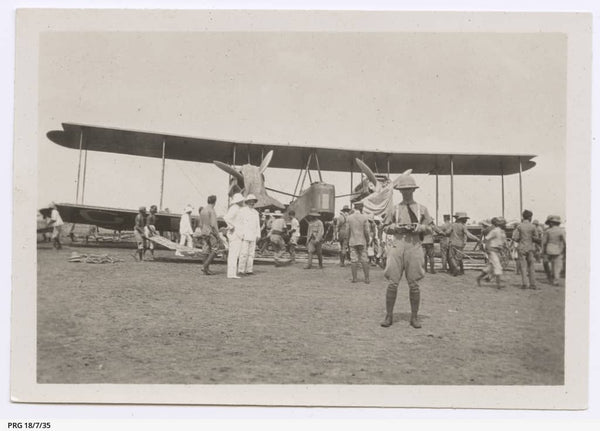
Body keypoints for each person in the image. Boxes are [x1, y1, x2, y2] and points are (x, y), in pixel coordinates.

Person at [380, 171, 432, 329]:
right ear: (399, 191)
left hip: (414, 245)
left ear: (414, 190)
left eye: (408, 189)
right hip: (397, 244)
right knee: (392, 283)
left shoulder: (422, 209)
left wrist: (419, 227)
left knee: (414, 283)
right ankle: (389, 316)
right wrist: (395, 227)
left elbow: (430, 228)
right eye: (403, 190)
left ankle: (414, 317)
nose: (406, 192)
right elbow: (384, 227)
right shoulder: (394, 209)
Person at [444, 212, 480, 276]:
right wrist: (476, 238)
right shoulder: (463, 226)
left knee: (451, 257)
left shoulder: (453, 225)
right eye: (465, 219)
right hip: (460, 245)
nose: (466, 220)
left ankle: (455, 269)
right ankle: (457, 269)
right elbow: (468, 234)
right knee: (458, 258)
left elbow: (447, 232)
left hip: (452, 243)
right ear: (462, 219)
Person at [512, 210, 540, 289]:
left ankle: (524, 284)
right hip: (530, 248)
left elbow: (515, 238)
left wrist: (521, 239)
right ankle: (533, 284)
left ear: (523, 217)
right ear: (530, 217)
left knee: (523, 266)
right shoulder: (533, 226)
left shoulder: (519, 226)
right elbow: (536, 238)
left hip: (521, 248)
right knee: (531, 266)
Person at [477, 217, 508, 289]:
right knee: (498, 267)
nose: (505, 225)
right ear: (500, 224)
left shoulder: (502, 232)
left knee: (490, 268)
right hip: (492, 251)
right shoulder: (495, 231)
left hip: (498, 251)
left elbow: (504, 242)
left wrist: (505, 247)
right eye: (504, 224)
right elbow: (486, 239)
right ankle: (498, 285)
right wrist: (486, 247)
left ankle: (479, 278)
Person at [347, 202, 371, 283]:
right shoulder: (364, 217)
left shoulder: (349, 217)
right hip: (362, 240)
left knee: (353, 260)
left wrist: (347, 241)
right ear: (361, 208)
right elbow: (367, 231)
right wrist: (368, 240)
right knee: (364, 259)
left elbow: (348, 231)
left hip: (352, 241)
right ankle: (367, 278)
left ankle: (354, 278)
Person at [238, 194, 261, 275]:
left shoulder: (256, 213)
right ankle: (241, 270)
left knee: (251, 254)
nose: (252, 203)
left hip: (253, 235)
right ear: (247, 202)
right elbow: (239, 224)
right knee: (243, 253)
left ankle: (249, 270)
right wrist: (241, 234)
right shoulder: (242, 210)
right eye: (250, 201)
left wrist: (258, 234)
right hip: (245, 235)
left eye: (253, 202)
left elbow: (257, 225)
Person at [224, 193, 245, 279]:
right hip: (235, 234)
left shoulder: (238, 208)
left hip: (238, 233)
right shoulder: (234, 208)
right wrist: (232, 226)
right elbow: (226, 218)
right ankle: (231, 273)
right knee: (233, 254)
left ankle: (232, 273)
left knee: (235, 254)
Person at [199, 195, 221, 275]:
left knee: (205, 250)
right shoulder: (212, 211)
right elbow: (213, 225)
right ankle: (205, 266)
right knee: (215, 249)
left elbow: (200, 224)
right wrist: (217, 236)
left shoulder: (203, 210)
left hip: (204, 232)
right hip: (211, 232)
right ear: (215, 202)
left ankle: (206, 270)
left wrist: (203, 231)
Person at [542, 215, 566, 286]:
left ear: (551, 223)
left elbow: (544, 242)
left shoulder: (547, 231)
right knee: (557, 266)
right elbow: (565, 242)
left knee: (546, 263)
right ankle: (556, 280)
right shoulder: (562, 231)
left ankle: (550, 277)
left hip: (548, 250)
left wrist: (542, 251)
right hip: (558, 250)